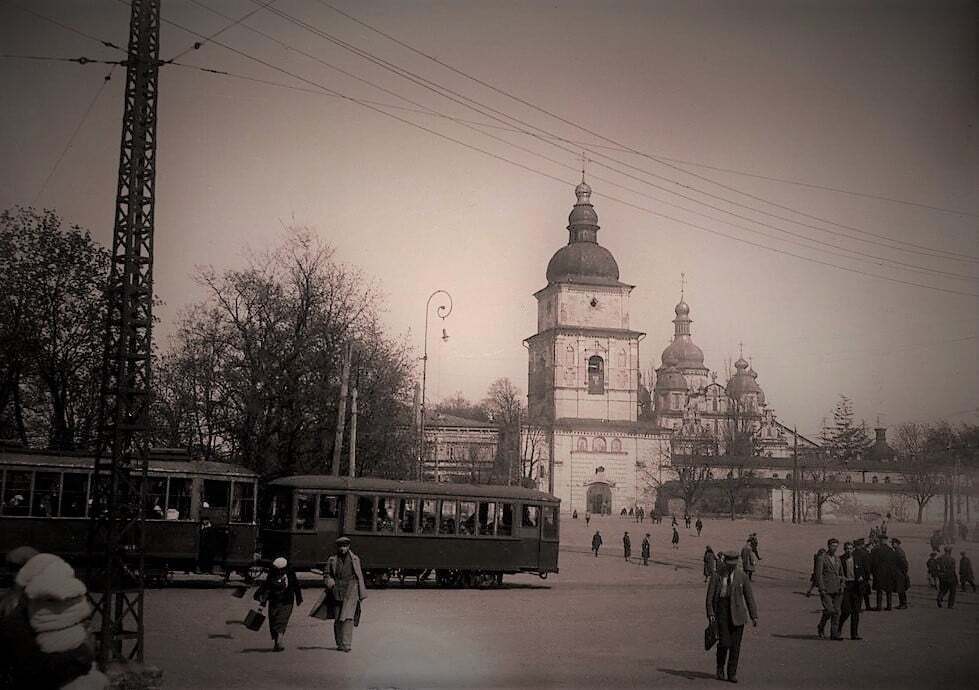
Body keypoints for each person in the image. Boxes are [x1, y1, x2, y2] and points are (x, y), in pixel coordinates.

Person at [706, 551, 758, 683]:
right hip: (722, 612)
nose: (731, 567)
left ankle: (732, 673)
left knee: (735, 646)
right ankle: (720, 668)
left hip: (738, 614)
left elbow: (749, 597)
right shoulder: (716, 575)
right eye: (729, 565)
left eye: (733, 565)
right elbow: (709, 597)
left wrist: (754, 616)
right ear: (725, 562)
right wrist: (711, 613)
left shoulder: (742, 576)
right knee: (724, 643)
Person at [324, 537, 367, 652]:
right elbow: (326, 574)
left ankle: (347, 644)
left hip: (351, 591)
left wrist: (361, 593)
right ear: (337, 547)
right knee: (338, 619)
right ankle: (339, 643)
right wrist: (329, 581)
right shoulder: (332, 560)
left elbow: (359, 576)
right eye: (340, 546)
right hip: (336, 592)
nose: (342, 549)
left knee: (348, 618)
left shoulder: (355, 559)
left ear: (348, 547)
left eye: (345, 546)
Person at [254, 556, 302, 651]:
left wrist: (298, 598)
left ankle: (280, 641)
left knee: (281, 621)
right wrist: (261, 604)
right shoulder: (272, 575)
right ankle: (277, 643)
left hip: (287, 601)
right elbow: (267, 589)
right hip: (274, 602)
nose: (279, 571)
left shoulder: (290, 574)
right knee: (273, 621)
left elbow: (296, 586)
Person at [816, 538, 845, 640]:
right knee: (829, 610)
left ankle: (834, 634)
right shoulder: (822, 558)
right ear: (828, 546)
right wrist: (822, 588)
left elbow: (842, 574)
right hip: (826, 589)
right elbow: (818, 575)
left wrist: (842, 585)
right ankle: (821, 626)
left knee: (837, 612)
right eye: (833, 546)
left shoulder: (838, 559)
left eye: (836, 546)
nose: (835, 548)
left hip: (838, 589)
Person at [837, 541, 865, 640]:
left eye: (850, 548)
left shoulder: (858, 559)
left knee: (856, 612)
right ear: (844, 550)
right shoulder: (840, 559)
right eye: (847, 548)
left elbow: (863, 571)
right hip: (846, 586)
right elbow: (838, 573)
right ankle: (838, 629)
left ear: (853, 549)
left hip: (856, 586)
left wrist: (861, 577)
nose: (849, 550)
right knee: (846, 611)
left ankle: (854, 634)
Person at [870, 537, 897, 611]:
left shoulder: (875, 550)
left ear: (880, 541)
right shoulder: (891, 550)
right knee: (889, 590)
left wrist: (872, 572)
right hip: (888, 573)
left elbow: (873, 562)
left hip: (879, 573)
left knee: (879, 590)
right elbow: (894, 563)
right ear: (886, 541)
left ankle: (879, 606)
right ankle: (889, 606)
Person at [853, 539, 873, 612]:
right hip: (864, 575)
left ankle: (858, 606)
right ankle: (865, 606)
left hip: (855, 575)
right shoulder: (864, 553)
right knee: (863, 592)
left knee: (859, 592)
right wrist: (868, 575)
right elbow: (867, 566)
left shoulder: (853, 553)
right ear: (861, 545)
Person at [891, 538, 910, 609]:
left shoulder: (898, 551)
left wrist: (904, 572)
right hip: (900, 572)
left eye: (893, 543)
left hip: (900, 573)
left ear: (897, 544)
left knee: (901, 589)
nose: (892, 544)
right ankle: (902, 603)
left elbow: (904, 563)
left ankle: (903, 604)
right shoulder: (898, 550)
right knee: (900, 589)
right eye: (892, 543)